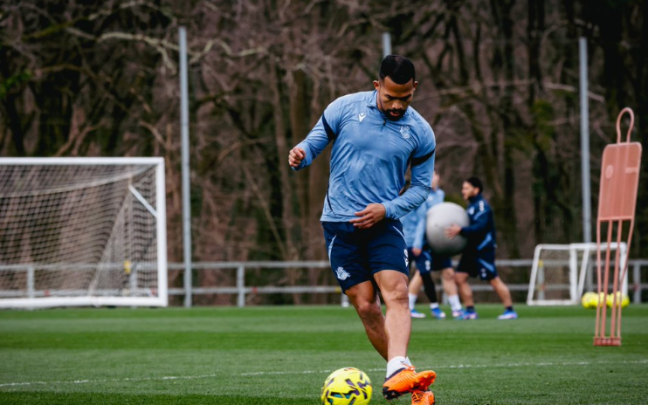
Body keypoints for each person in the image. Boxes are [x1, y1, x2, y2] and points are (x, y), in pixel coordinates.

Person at [289, 55, 436, 405]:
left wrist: (387, 209)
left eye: (405, 98)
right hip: (339, 224)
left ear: (414, 88)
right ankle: (412, 382)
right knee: (367, 307)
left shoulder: (421, 132)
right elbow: (313, 142)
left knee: (397, 294)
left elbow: (420, 188)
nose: (397, 105)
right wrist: (300, 154)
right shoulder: (344, 108)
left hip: (384, 224)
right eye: (390, 97)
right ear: (377, 86)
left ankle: (397, 369)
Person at [445, 177, 519, 320]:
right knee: (459, 278)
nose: (463, 191)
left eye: (466, 188)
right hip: (470, 249)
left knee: (493, 279)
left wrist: (461, 230)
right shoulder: (471, 206)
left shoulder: (481, 206)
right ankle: (470, 311)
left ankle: (510, 310)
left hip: (482, 249)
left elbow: (480, 227)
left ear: (476, 190)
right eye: (463, 188)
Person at [408, 171, 463, 319]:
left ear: (439, 177)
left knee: (448, 272)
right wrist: (418, 241)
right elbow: (422, 220)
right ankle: (409, 306)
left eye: (434, 175)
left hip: (439, 241)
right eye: (429, 176)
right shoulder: (421, 195)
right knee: (421, 274)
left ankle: (456, 308)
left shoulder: (440, 194)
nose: (432, 179)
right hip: (426, 241)